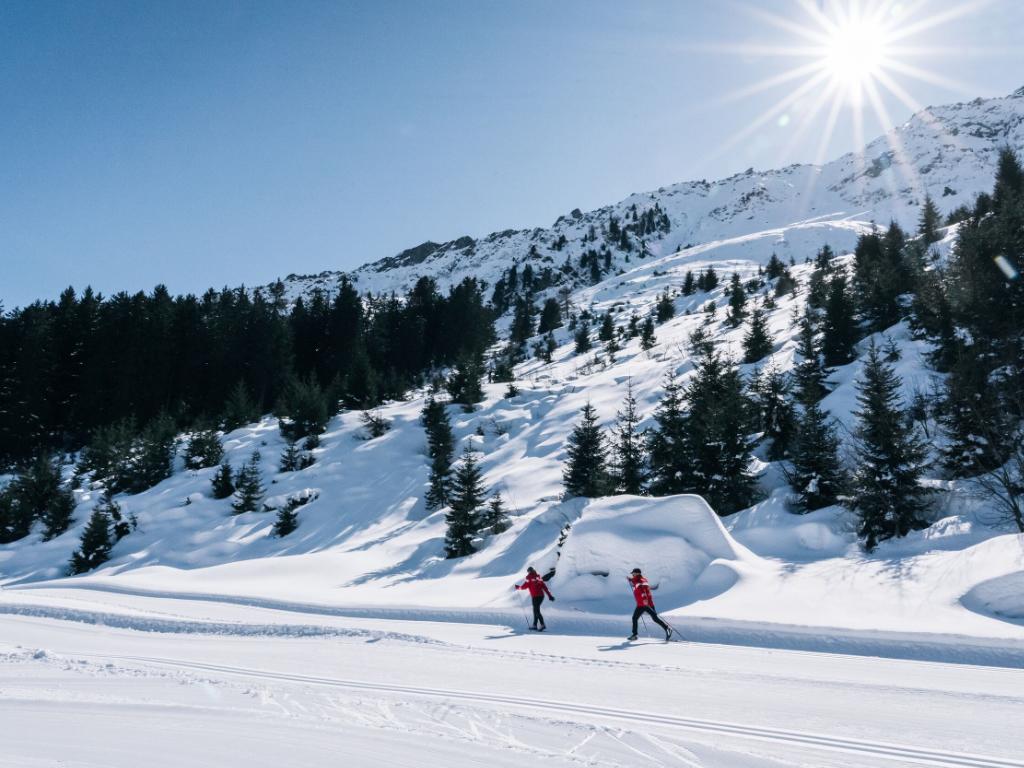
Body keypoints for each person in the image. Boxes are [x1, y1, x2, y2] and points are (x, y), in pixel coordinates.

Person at [627, 567, 671, 641]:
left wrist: (645, 600)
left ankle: (667, 628)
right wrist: (630, 579)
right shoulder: (643, 580)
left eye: (633, 573)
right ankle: (634, 635)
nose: (632, 574)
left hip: (645, 604)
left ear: (637, 573)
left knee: (654, 618)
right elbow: (637, 583)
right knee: (635, 618)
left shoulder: (639, 581)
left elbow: (643, 591)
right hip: (642, 604)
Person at [514, 566, 554, 631]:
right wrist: (550, 596)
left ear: (529, 571)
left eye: (529, 571)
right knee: (535, 610)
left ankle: (542, 624)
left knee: (536, 610)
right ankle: (535, 625)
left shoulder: (529, 578)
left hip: (535, 597)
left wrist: (518, 587)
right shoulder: (538, 577)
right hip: (541, 596)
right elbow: (544, 587)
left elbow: (524, 587)